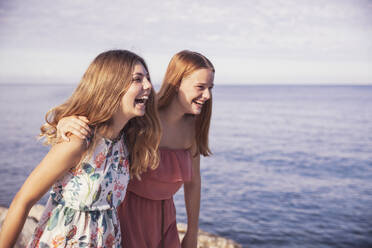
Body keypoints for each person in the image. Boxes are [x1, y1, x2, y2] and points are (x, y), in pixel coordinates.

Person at [0, 50, 161, 248]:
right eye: (137, 79)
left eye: (148, 78)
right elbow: (22, 201)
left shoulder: (124, 140)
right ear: (111, 85)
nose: (149, 85)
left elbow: (172, 107)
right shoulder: (79, 141)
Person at [57, 50, 215, 248]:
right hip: (127, 215)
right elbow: (104, 119)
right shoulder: (143, 116)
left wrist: (192, 233)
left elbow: (194, 182)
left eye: (210, 87)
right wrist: (66, 121)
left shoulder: (194, 127)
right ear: (176, 83)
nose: (207, 95)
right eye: (201, 87)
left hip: (166, 218)